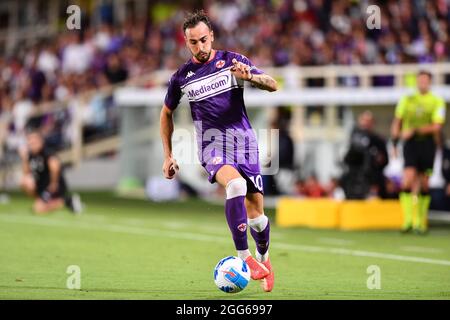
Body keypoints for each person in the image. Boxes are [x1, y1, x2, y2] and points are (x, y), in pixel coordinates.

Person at [159, 11, 277, 292]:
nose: (199, 47)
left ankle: (264, 259)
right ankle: (244, 257)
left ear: (211, 35)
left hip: (244, 144)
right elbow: (166, 113)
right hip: (212, 145)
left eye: (203, 40)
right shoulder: (182, 77)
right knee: (234, 184)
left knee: (258, 217)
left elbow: (272, 84)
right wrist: (168, 154)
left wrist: (250, 78)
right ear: (186, 42)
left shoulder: (233, 61)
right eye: (193, 43)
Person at [391, 70, 446, 234]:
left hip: (427, 144)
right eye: (420, 80)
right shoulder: (407, 99)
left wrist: (414, 130)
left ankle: (420, 222)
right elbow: (397, 121)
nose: (422, 83)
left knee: (424, 183)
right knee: (407, 179)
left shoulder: (436, 101)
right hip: (411, 145)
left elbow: (437, 126)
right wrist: (395, 142)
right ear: (416, 82)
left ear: (429, 82)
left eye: (425, 80)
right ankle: (407, 220)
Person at [19, 127, 82, 215]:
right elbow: (26, 173)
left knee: (38, 209)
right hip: (41, 185)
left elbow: (55, 167)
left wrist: (54, 183)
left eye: (34, 141)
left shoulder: (47, 152)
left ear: (40, 141)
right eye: (30, 141)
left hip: (52, 186)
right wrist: (25, 159)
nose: (31, 143)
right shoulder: (30, 155)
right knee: (24, 181)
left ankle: (65, 201)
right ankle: (42, 201)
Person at [343, 111, 389, 199]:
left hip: (372, 180)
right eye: (364, 120)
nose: (366, 123)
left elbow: (384, 160)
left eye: (369, 121)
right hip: (354, 180)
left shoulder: (378, 141)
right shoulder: (354, 137)